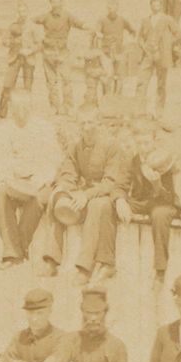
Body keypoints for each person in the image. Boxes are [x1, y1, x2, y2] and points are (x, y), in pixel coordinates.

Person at [49, 110, 131, 281]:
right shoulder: (76, 147)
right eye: (83, 123)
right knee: (58, 197)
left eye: (90, 122)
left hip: (106, 195)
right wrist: (63, 188)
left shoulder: (111, 146)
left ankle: (85, 266)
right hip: (85, 193)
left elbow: (110, 182)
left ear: (99, 123)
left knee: (96, 205)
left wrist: (86, 195)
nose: (87, 128)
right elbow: (69, 173)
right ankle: (52, 258)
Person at [0, 90, 64, 268]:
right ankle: (11, 251)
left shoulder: (43, 128)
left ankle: (19, 249)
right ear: (11, 108)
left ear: (30, 108)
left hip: (38, 179)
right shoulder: (3, 131)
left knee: (39, 198)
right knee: (1, 193)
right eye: (16, 107)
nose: (20, 112)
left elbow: (52, 159)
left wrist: (39, 180)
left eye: (24, 107)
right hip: (14, 180)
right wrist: (9, 180)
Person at [124, 114, 181, 280]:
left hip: (162, 204)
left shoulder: (164, 160)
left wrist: (157, 184)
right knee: (110, 204)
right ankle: (107, 262)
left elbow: (169, 197)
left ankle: (160, 270)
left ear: (154, 141)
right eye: (139, 143)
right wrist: (120, 200)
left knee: (160, 214)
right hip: (142, 202)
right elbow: (121, 184)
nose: (143, 148)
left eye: (146, 143)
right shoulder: (134, 160)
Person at [140, 0, 178, 113]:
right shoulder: (145, 20)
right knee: (142, 80)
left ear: (161, 6)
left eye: (158, 4)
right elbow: (140, 37)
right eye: (153, 4)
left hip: (162, 55)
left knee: (161, 83)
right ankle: (139, 107)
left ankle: (159, 109)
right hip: (148, 54)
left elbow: (177, 33)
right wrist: (144, 46)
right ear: (150, 6)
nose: (155, 6)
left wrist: (168, 44)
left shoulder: (167, 19)